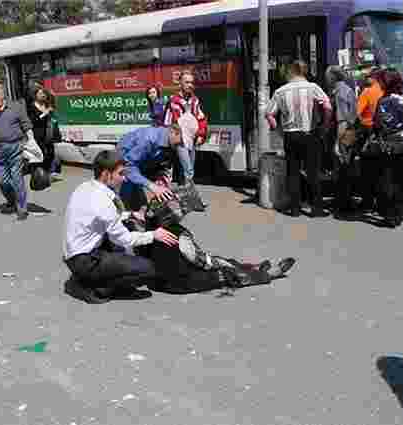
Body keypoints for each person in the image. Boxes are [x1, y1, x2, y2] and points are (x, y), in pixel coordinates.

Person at [136, 181, 298, 294]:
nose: (181, 212)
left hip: (159, 280)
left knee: (221, 261)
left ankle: (250, 267)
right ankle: (266, 275)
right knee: (225, 272)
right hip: (179, 282)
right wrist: (220, 264)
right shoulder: (179, 234)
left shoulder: (149, 229)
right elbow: (201, 261)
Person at [63, 150, 179, 304]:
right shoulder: (102, 201)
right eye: (120, 174)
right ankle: (90, 287)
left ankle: (86, 278)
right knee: (148, 269)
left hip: (73, 255)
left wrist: (130, 215)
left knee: (122, 243)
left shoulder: (85, 187)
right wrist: (154, 235)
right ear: (106, 174)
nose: (124, 179)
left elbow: (100, 218)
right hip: (85, 261)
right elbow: (125, 239)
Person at [266, 60, 332, 218]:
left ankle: (295, 209)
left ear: (291, 72)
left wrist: (279, 130)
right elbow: (328, 106)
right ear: (304, 72)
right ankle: (316, 208)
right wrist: (325, 125)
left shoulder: (280, 91)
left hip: (290, 135)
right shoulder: (313, 87)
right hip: (310, 133)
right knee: (313, 172)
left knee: (293, 171)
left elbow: (269, 113)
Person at [0, 85, 43, 221]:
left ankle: (22, 208)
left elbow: (26, 125)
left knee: (17, 178)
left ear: (3, 94)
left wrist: (32, 142)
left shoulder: (16, 107)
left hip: (16, 147)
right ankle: (12, 199)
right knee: (1, 180)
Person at [372, 70, 403, 228]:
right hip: (402, 144)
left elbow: (378, 123)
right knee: (398, 179)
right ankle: (397, 213)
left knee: (387, 180)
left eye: (381, 81)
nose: (379, 84)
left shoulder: (384, 101)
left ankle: (389, 215)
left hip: (386, 144)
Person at [117, 124, 182, 211]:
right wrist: (152, 186)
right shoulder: (148, 139)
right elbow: (128, 167)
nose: (182, 146)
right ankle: (123, 212)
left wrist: (160, 175)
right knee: (128, 190)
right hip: (125, 162)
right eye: (181, 142)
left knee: (142, 199)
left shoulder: (169, 142)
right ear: (173, 132)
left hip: (139, 163)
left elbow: (159, 163)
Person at [163, 71, 208, 197]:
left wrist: (200, 135)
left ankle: (184, 196)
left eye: (191, 82)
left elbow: (201, 119)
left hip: (192, 139)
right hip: (180, 140)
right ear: (180, 83)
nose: (190, 85)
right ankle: (193, 196)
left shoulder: (195, 101)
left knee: (188, 168)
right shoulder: (173, 100)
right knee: (189, 169)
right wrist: (171, 138)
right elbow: (167, 121)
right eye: (187, 82)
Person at [325, 66, 358, 220]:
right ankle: (345, 201)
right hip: (349, 133)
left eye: (327, 77)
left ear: (333, 78)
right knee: (346, 167)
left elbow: (342, 120)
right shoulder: (347, 90)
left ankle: (343, 203)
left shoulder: (340, 93)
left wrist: (337, 142)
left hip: (343, 133)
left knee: (341, 169)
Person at [357, 68, 385, 213]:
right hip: (384, 134)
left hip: (368, 132)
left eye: (367, 76)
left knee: (367, 170)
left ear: (373, 78)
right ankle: (381, 203)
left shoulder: (367, 92)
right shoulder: (384, 91)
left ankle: (367, 202)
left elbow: (358, 113)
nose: (365, 78)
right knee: (381, 170)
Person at [27, 87, 60, 175]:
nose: (42, 95)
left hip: (48, 133)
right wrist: (44, 114)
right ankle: (40, 173)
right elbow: (33, 120)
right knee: (41, 153)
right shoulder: (31, 107)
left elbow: (53, 105)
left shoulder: (46, 104)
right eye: (40, 93)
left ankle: (48, 171)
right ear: (35, 95)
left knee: (50, 153)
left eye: (44, 93)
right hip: (38, 133)